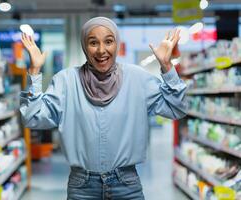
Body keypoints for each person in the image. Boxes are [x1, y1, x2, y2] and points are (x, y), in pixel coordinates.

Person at [20, 16, 186, 200]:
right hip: (82, 187)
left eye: (108, 41)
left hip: (127, 185)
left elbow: (176, 108)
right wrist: (34, 71)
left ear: (117, 44)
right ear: (84, 46)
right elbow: (32, 117)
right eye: (93, 42)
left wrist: (167, 67)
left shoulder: (137, 78)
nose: (101, 50)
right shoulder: (66, 81)